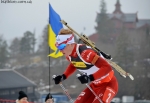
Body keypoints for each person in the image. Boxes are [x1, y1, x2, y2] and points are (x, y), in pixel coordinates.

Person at [53, 28, 118, 103]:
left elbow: (107, 67)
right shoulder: (69, 55)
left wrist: (90, 78)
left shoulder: (86, 53)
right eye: (57, 47)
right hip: (94, 86)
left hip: (108, 85)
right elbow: (73, 64)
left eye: (61, 47)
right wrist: (63, 76)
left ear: (70, 44)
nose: (60, 50)